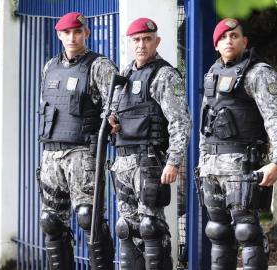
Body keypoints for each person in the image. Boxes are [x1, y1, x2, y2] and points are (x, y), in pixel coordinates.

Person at [197, 18, 277, 270]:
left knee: (247, 231)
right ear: (216, 44)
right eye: (224, 37)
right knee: (217, 231)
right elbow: (205, 125)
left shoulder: (258, 72)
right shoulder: (212, 74)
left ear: (244, 41)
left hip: (243, 165)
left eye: (235, 36)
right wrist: (201, 162)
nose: (229, 40)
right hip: (212, 168)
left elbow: (276, 117)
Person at [107, 18, 191, 270]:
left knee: (150, 228)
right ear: (129, 42)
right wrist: (112, 122)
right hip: (123, 162)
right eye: (136, 40)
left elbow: (180, 121)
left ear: (157, 41)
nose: (141, 44)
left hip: (150, 162)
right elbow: (113, 114)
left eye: (146, 39)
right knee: (126, 228)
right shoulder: (124, 74)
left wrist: (174, 162)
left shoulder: (164, 75)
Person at [37, 12, 118, 270]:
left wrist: (113, 121)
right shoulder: (50, 66)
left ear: (87, 33)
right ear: (59, 35)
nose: (72, 37)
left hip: (82, 152)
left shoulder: (100, 66)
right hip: (51, 153)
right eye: (67, 33)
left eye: (77, 32)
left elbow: (115, 104)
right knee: (50, 221)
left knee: (88, 217)